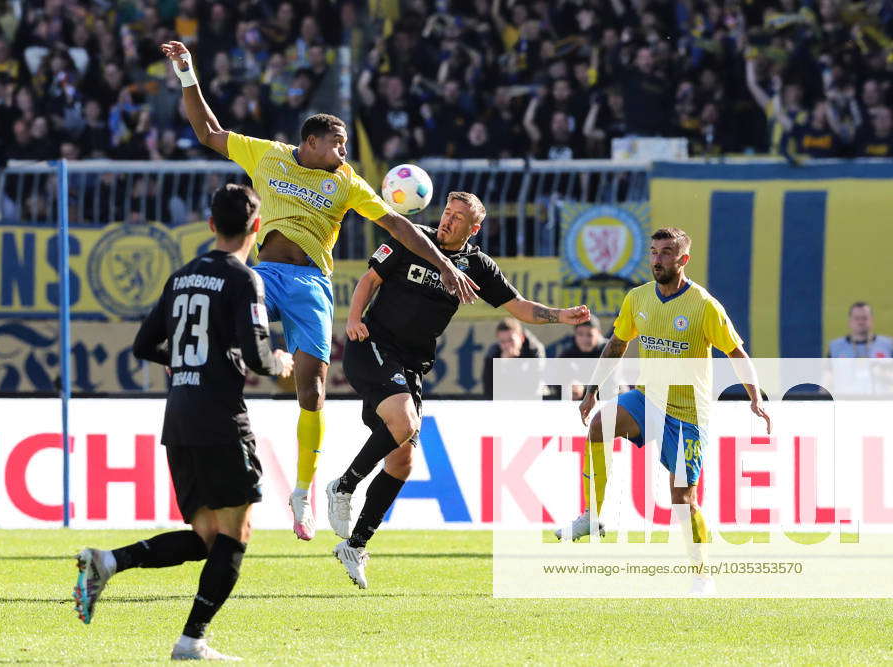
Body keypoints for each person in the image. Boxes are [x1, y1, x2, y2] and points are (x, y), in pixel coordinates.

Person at [161, 40, 478, 541]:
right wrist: (187, 74)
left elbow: (397, 225)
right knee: (227, 303)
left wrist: (441, 262)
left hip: (312, 282)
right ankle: (204, 399)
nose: (344, 152)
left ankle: (303, 491)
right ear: (310, 143)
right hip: (266, 272)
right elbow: (209, 131)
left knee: (312, 389)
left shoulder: (347, 183)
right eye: (338, 144)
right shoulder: (268, 157)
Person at [72, 184, 294, 661]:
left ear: (211, 225)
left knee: (206, 538)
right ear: (257, 227)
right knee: (237, 533)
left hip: (180, 418)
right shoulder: (243, 280)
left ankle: (108, 562)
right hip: (220, 418)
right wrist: (279, 361)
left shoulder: (182, 277)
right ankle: (191, 640)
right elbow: (257, 356)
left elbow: (143, 345)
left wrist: (179, 361)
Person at [325, 192, 590, 588]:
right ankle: (343, 487)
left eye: (457, 217)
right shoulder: (413, 238)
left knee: (402, 461)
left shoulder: (477, 265)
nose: (447, 221)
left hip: (411, 365)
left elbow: (517, 306)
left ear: (474, 228)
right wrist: (353, 318)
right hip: (373, 346)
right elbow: (369, 279)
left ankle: (356, 544)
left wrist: (560, 317)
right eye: (446, 213)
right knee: (405, 420)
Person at [556, 228, 771, 596]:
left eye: (667, 253)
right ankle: (592, 516)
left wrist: (756, 397)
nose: (658, 259)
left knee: (683, 499)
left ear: (683, 260)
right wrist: (592, 390)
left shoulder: (703, 306)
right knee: (599, 426)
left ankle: (702, 575)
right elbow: (616, 346)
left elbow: (736, 353)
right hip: (648, 399)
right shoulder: (638, 298)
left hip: (689, 413)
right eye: (654, 252)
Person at [827, 301, 893, 396]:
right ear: (850, 321)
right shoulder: (836, 347)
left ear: (871, 320)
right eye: (857, 318)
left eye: (864, 318)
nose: (861, 322)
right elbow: (827, 380)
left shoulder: (888, 345)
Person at [481, 317, 547, 399]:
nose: (507, 346)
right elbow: (488, 390)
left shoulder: (534, 350)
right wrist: (502, 364)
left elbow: (536, 385)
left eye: (510, 340)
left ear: (521, 338)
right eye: (502, 342)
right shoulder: (493, 353)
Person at [558, 314, 608, 400]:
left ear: (598, 334)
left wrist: (585, 389)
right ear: (575, 334)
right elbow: (555, 380)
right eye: (580, 334)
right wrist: (568, 387)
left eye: (589, 335)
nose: (584, 339)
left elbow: (611, 385)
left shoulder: (609, 351)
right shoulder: (568, 352)